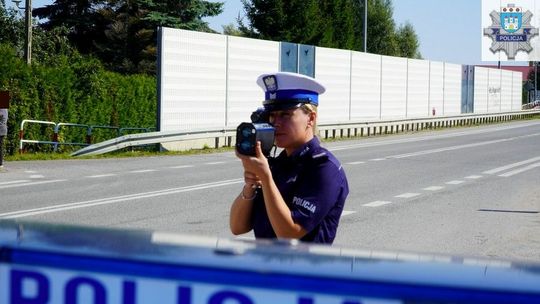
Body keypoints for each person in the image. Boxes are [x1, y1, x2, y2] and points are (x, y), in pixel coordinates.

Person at [230, 72, 349, 244]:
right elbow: (237, 227)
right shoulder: (277, 163)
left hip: (302, 270)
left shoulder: (324, 169)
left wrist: (266, 178)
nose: (275, 123)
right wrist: (250, 185)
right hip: (265, 268)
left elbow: (289, 233)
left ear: (311, 118)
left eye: (285, 114)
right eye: (272, 115)